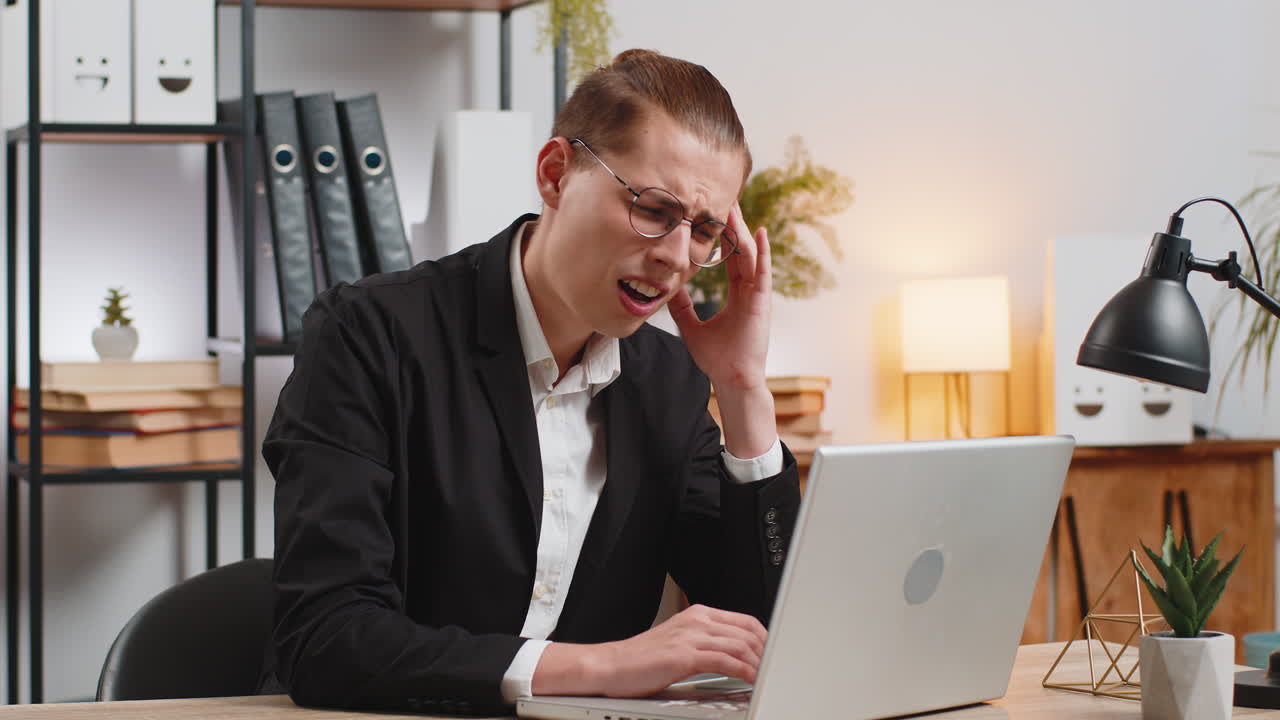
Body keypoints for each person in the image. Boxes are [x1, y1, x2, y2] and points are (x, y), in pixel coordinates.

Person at [262, 48, 802, 715]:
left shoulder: (669, 382)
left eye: (705, 231)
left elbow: (761, 636)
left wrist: (744, 388)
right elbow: (326, 639)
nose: (675, 256)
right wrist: (604, 666)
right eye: (654, 209)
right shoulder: (369, 335)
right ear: (555, 175)